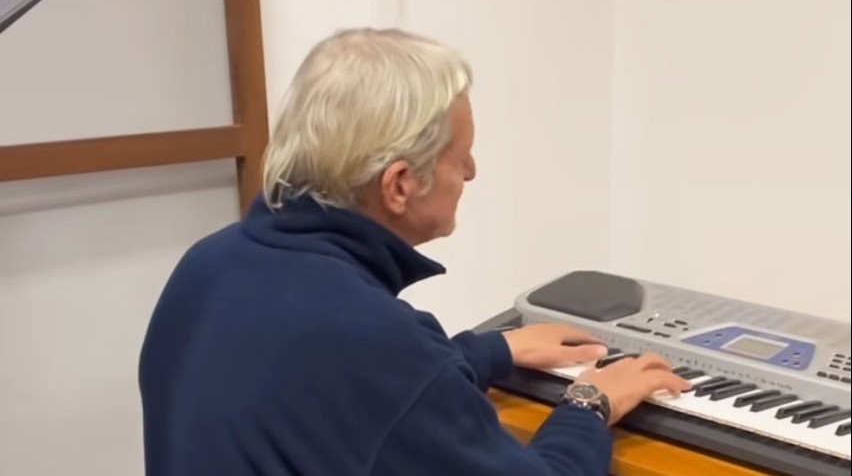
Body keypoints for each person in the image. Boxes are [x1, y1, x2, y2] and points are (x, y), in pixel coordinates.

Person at [138, 28, 691, 476]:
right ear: (399, 185)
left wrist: (486, 351)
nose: (472, 171)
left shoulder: (208, 265)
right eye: (461, 156)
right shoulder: (368, 335)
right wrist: (589, 404)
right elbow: (378, 374)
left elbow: (340, 390)